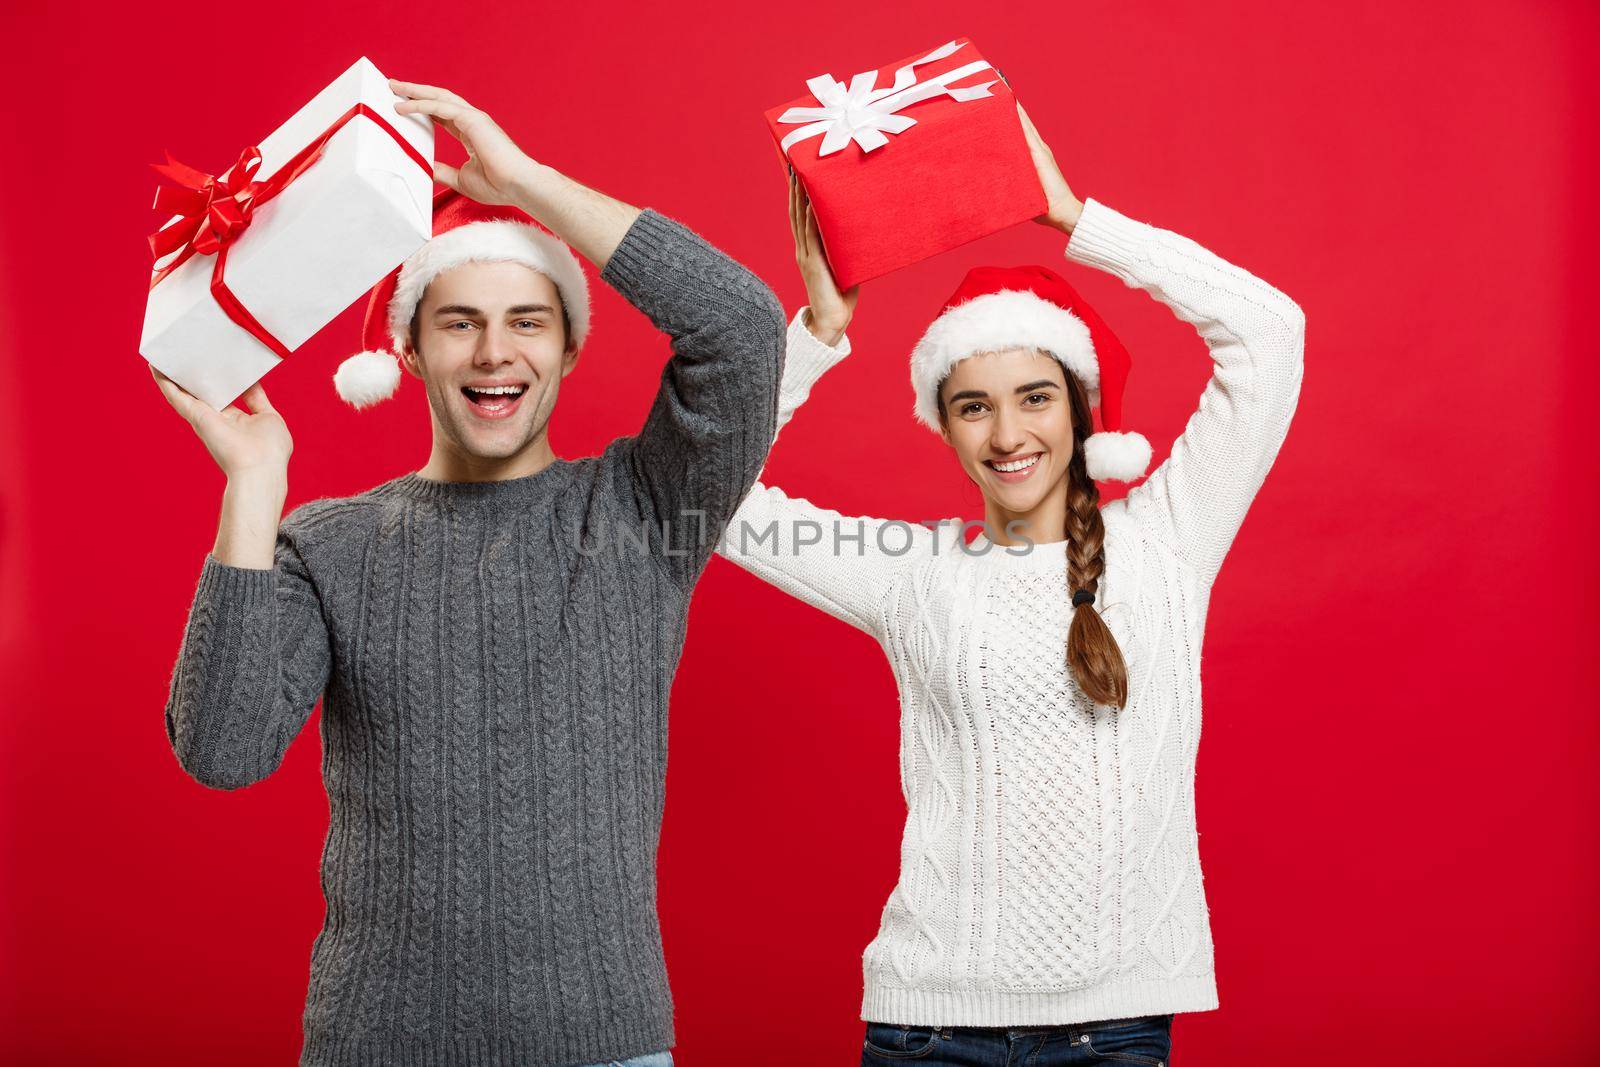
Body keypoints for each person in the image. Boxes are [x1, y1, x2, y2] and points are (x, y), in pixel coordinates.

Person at [152, 76, 786, 1067]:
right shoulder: (327, 541)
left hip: (603, 1043)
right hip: (376, 1044)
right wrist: (253, 482)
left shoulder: (646, 507)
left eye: (529, 319)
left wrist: (521, 182)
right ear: (408, 347)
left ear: (571, 346)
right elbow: (223, 750)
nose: (496, 352)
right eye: (459, 322)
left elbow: (742, 331)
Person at [719, 106, 1306, 1066]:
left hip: (1115, 1027)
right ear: (943, 426)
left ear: (1080, 409)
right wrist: (818, 333)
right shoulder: (911, 572)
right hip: (929, 1027)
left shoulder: (1168, 537)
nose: (1007, 434)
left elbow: (1270, 333)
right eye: (973, 406)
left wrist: (1071, 216)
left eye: (1035, 397)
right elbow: (714, 502)